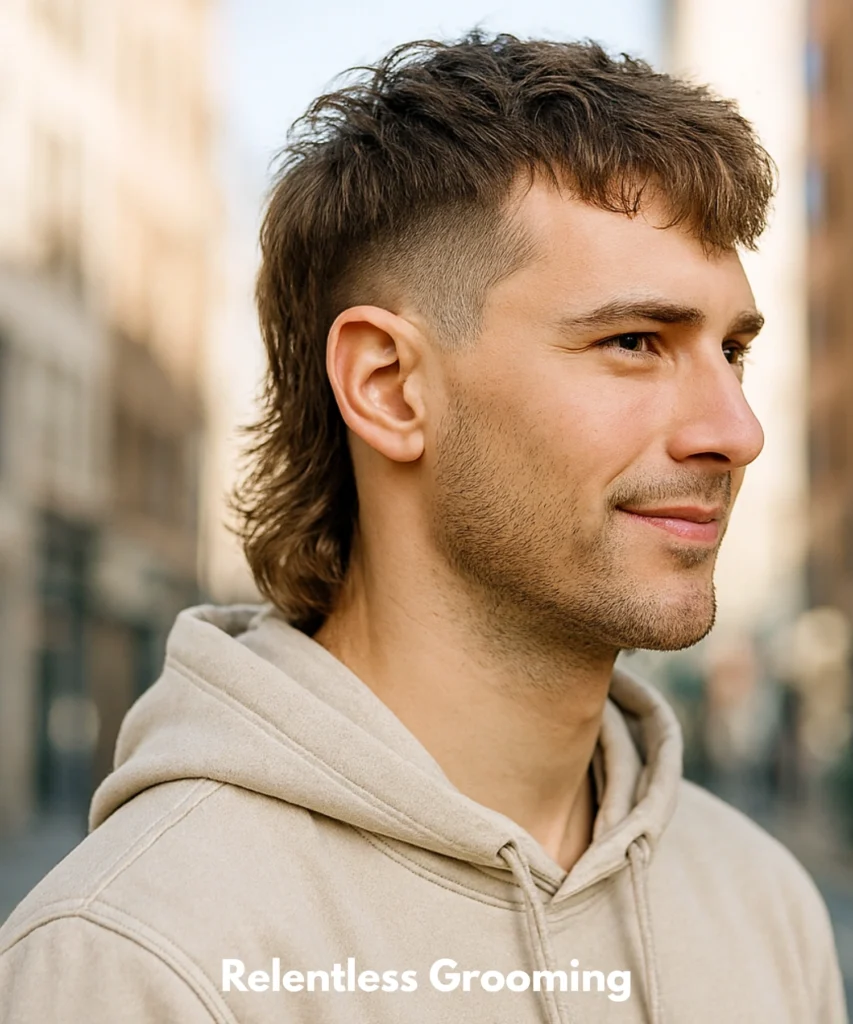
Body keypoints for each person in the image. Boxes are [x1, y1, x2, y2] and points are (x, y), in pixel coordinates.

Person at [0, 31, 846, 1024]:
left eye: (731, 350)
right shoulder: (142, 957)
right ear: (390, 387)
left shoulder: (762, 903)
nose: (735, 431)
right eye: (633, 341)